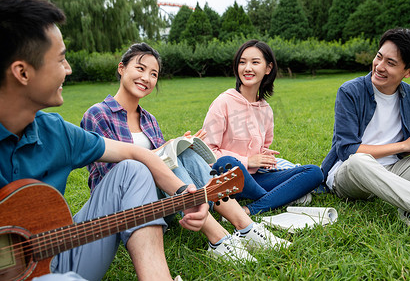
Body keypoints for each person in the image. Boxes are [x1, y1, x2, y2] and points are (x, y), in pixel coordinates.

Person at [0, 0, 209, 281]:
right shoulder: (98, 113)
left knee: (133, 170)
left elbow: (138, 153)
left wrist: (183, 193)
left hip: (56, 254)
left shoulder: (55, 132)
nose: (69, 69)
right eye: (60, 59)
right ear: (22, 72)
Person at [80, 42, 291, 263]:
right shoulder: (98, 114)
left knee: (185, 154)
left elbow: (164, 163)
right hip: (124, 206)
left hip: (161, 201)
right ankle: (219, 238)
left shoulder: (149, 120)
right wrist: (163, 151)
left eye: (153, 74)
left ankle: (245, 226)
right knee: (172, 158)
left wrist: (178, 145)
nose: (146, 78)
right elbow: (114, 176)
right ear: (121, 68)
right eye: (140, 69)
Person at [321, 28, 410, 232]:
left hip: (393, 173)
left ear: (409, 72)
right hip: (350, 175)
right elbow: (347, 151)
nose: (379, 67)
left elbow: (401, 152)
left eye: (390, 63)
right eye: (379, 57)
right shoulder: (350, 91)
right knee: (359, 160)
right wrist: (408, 143)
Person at [202, 39, 324, 216]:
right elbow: (207, 152)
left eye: (255, 62)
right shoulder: (223, 102)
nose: (247, 68)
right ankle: (279, 197)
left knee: (314, 172)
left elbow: (263, 148)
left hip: (257, 179)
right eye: (242, 62)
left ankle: (251, 208)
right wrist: (248, 161)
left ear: (268, 69)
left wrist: (264, 156)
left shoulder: (266, 110)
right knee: (226, 163)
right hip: (230, 177)